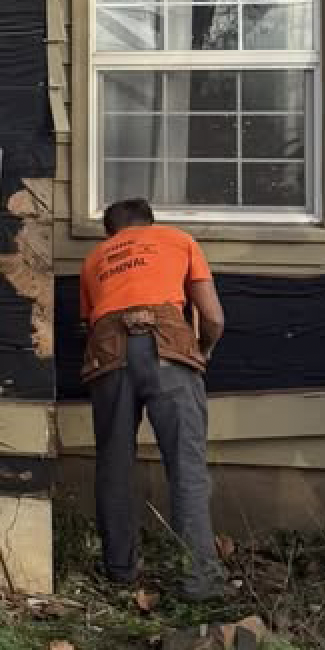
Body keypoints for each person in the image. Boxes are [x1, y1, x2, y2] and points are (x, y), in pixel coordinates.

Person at [78, 197, 227, 600]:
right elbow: (212, 315)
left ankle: (119, 573)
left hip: (109, 352)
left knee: (114, 463)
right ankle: (200, 581)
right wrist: (202, 348)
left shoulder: (94, 260)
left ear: (112, 232)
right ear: (149, 222)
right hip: (167, 348)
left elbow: (90, 319)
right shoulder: (178, 240)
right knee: (185, 464)